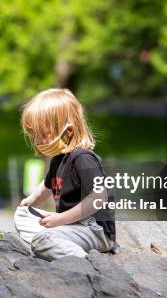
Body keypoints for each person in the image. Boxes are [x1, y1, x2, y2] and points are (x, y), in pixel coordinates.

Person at [15, 88, 117, 261]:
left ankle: (87, 263)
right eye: (34, 135)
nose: (37, 141)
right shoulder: (58, 159)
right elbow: (46, 186)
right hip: (69, 226)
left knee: (44, 239)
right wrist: (29, 202)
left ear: (68, 131)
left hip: (93, 230)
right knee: (22, 216)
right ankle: (53, 246)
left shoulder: (83, 158)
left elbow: (99, 197)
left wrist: (60, 219)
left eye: (41, 134)